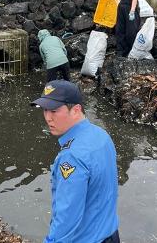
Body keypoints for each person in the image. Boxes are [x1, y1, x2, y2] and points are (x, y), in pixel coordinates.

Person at [31, 80, 119, 243]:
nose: (48, 118)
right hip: (110, 232)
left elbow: (67, 216)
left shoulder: (72, 157)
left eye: (54, 111)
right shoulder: (101, 136)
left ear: (76, 110)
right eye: (44, 110)